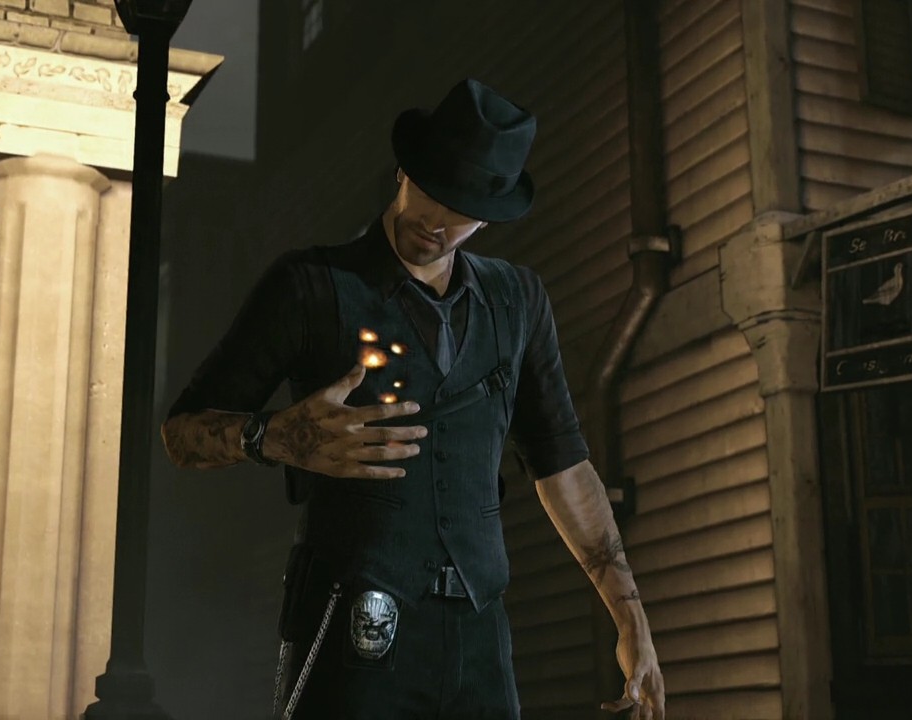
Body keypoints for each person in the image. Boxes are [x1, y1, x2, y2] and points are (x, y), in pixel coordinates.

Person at [161, 78, 665, 720]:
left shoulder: (516, 302)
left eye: (463, 209)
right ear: (404, 170)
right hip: (352, 624)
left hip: (478, 637)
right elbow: (181, 434)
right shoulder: (312, 286)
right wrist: (272, 437)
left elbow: (563, 464)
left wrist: (630, 616)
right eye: (431, 190)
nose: (437, 221)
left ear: (490, 215)